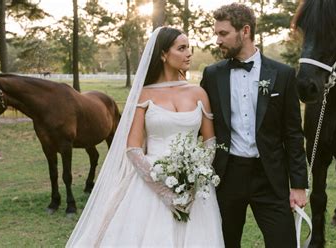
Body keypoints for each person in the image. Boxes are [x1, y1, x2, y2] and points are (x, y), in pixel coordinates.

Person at [66, 27, 224, 247]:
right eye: (181, 48)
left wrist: (195, 178)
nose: (189, 53)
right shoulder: (144, 95)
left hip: (195, 193)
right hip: (149, 184)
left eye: (189, 47)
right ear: (162, 54)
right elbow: (133, 148)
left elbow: (209, 141)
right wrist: (163, 190)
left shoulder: (199, 93)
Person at [200, 3, 308, 248]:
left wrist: (299, 184)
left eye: (223, 33)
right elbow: (200, 125)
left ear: (245, 31)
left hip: (269, 176)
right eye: (216, 33)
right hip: (227, 175)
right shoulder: (212, 74)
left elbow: (293, 134)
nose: (217, 40)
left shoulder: (283, 74)